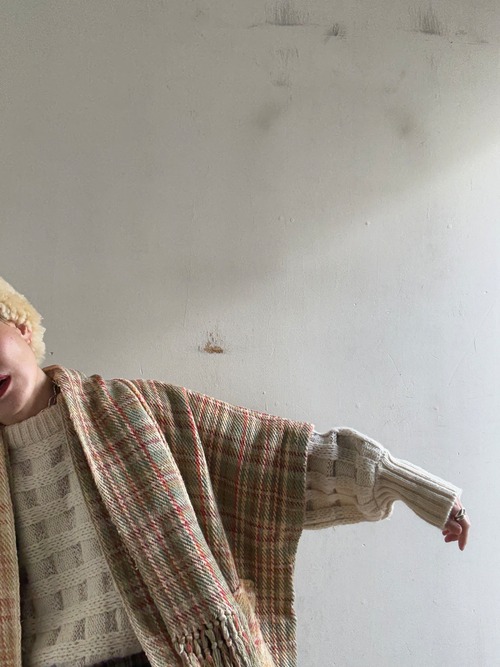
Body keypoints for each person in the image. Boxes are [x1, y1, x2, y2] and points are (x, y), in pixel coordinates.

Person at [0, 276, 469, 667]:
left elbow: (276, 461)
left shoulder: (135, 410)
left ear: (22, 328)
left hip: (175, 655)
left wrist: (402, 483)